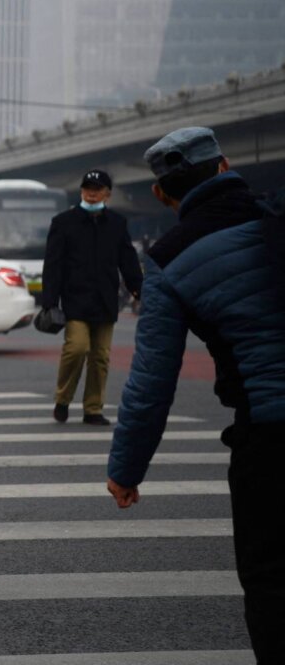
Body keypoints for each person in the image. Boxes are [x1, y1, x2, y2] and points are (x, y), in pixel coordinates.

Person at [107, 127, 285, 663]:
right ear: (226, 166)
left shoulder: (168, 258)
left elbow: (153, 380)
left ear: (161, 194)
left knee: (272, 579)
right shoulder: (275, 216)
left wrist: (126, 469)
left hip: (271, 437)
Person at [41, 169, 142, 425]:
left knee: (100, 357)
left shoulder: (117, 224)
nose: (92, 193)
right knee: (76, 348)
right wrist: (50, 302)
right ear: (82, 192)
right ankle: (63, 400)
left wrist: (138, 290)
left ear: (107, 194)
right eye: (88, 189)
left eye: (97, 189)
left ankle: (93, 409)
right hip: (74, 301)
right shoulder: (63, 222)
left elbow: (128, 261)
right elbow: (53, 265)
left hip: (106, 300)